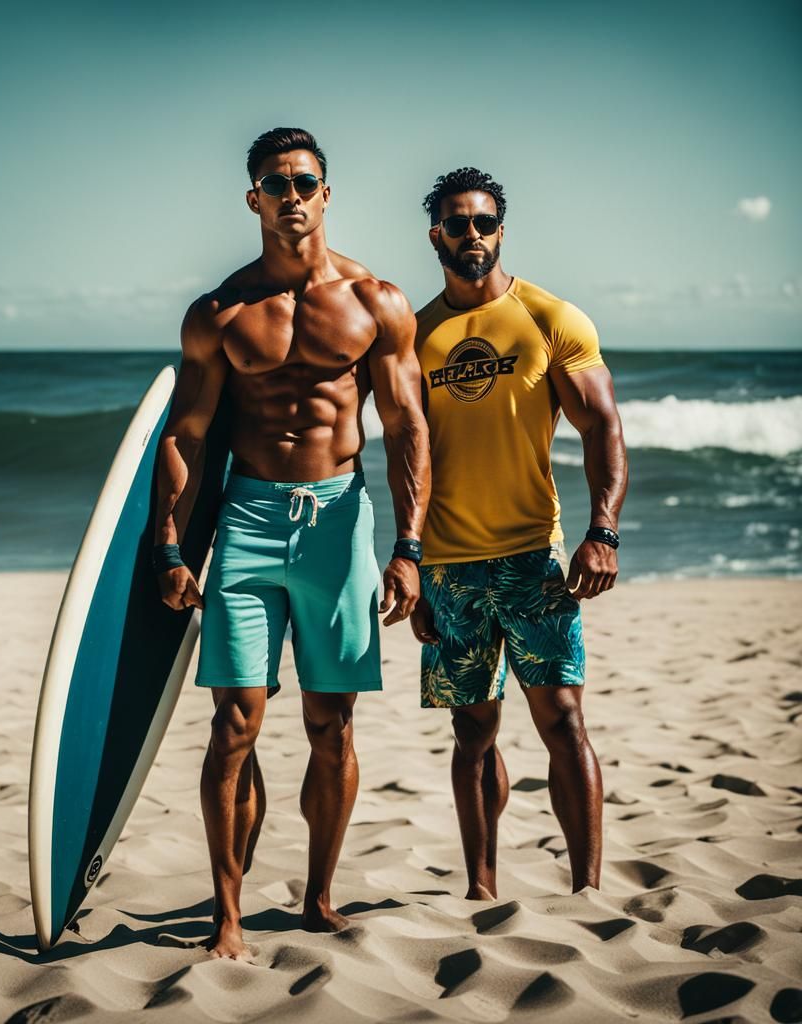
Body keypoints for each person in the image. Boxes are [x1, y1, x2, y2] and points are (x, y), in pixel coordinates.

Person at [153, 127, 430, 959]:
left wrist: (409, 545)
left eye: (306, 182)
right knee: (234, 722)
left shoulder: (376, 301)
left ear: (327, 193)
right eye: (276, 185)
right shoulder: (219, 312)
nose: (292, 197)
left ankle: (317, 897)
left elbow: (407, 424)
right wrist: (169, 544)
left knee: (331, 724)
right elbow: (188, 435)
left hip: (339, 518)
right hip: (248, 520)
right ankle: (227, 914)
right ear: (254, 200)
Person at [409, 167, 628, 899]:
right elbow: (406, 458)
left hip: (534, 558)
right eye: (456, 222)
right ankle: (481, 887)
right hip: (447, 565)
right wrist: (408, 560)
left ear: (501, 229)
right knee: (472, 734)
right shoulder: (414, 335)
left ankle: (587, 890)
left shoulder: (551, 317)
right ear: (433, 231)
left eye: (483, 222)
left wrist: (603, 532)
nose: (471, 234)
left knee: (562, 720)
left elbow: (602, 427)